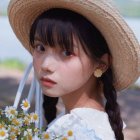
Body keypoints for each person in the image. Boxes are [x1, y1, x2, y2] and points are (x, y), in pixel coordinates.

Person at [8, 0, 140, 140]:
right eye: (40, 47)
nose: (46, 65)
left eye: (67, 53)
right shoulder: (90, 124)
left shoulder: (76, 131)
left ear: (101, 64)